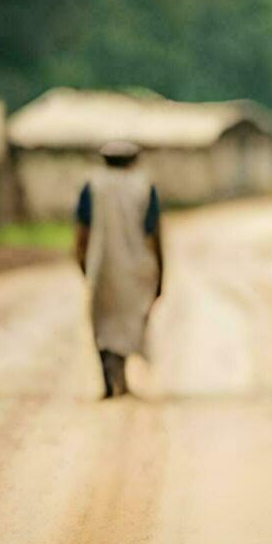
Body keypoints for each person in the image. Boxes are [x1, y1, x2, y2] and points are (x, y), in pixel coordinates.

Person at [74, 140, 163, 398]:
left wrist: (83, 262)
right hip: (136, 265)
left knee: (102, 321)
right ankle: (119, 375)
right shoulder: (144, 188)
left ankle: (109, 378)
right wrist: (160, 271)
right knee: (127, 320)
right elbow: (154, 233)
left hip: (101, 264)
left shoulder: (93, 187)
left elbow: (82, 233)